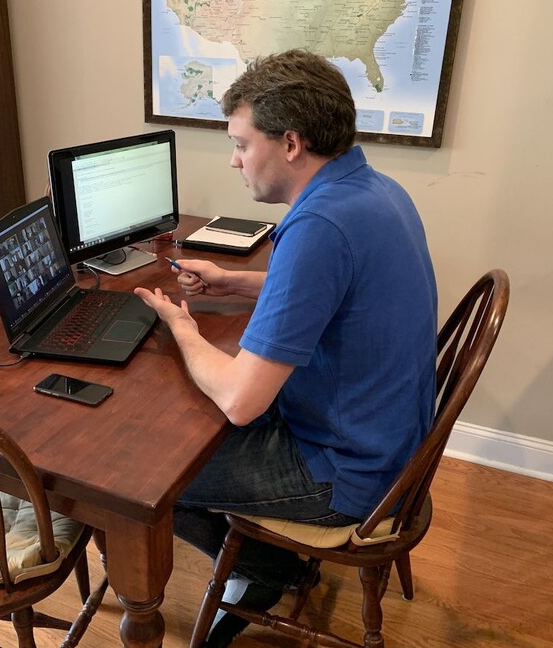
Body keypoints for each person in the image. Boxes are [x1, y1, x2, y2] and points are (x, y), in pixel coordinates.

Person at [134, 49, 438, 647]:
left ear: (290, 143)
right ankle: (268, 563)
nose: (234, 160)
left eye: (243, 144)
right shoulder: (372, 189)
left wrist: (184, 329)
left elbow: (243, 402)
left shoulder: (319, 226)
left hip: (346, 472)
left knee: (145, 471)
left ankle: (269, 567)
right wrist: (235, 281)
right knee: (183, 428)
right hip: (390, 440)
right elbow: (334, 290)